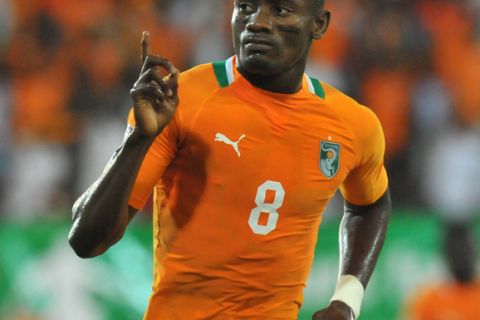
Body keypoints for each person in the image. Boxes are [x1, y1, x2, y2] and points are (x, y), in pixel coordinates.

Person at [68, 0, 391, 319]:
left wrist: (347, 299)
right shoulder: (183, 98)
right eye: (246, 6)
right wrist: (138, 140)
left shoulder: (352, 124)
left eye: (280, 10)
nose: (257, 22)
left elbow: (371, 205)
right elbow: (87, 241)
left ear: (318, 24)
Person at [402, 222, 480, 319]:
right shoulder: (428, 300)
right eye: (455, 252)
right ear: (446, 256)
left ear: (475, 252)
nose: (461, 257)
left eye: (465, 250)